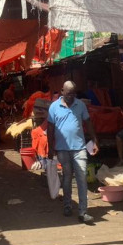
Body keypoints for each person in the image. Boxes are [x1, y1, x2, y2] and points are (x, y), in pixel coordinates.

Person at [48, 81, 98, 224]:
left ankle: (83, 211)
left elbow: (88, 123)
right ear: (62, 91)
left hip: (79, 148)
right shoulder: (54, 107)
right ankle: (68, 205)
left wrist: (94, 140)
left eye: (73, 94)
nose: (71, 96)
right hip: (62, 149)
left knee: (81, 177)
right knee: (67, 177)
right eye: (68, 93)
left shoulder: (80, 105)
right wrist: (51, 148)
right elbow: (50, 129)